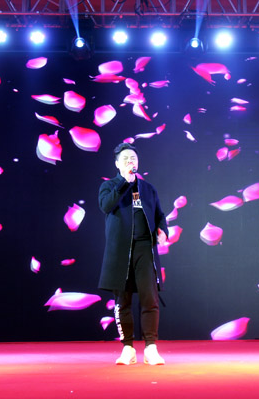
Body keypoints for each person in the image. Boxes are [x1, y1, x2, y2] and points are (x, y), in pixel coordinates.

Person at [98, 143, 169, 365]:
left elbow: (159, 215)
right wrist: (124, 183)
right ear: (117, 164)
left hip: (145, 249)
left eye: (134, 158)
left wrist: (163, 230)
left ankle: (150, 347)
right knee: (123, 300)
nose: (131, 161)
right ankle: (127, 348)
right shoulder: (109, 186)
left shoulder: (148, 189)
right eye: (126, 158)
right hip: (121, 251)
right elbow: (106, 206)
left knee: (150, 298)